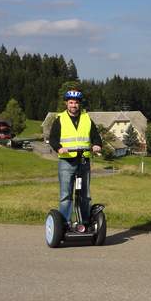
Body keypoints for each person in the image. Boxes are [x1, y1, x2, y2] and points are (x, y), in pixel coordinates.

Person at [48, 89, 102, 226]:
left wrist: (96, 145)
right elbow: (53, 138)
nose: (73, 105)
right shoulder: (60, 119)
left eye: (76, 103)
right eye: (71, 102)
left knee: (85, 195)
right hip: (67, 161)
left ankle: (84, 222)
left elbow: (96, 136)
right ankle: (65, 223)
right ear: (66, 103)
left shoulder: (86, 118)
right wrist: (59, 148)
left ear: (80, 104)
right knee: (66, 195)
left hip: (83, 161)